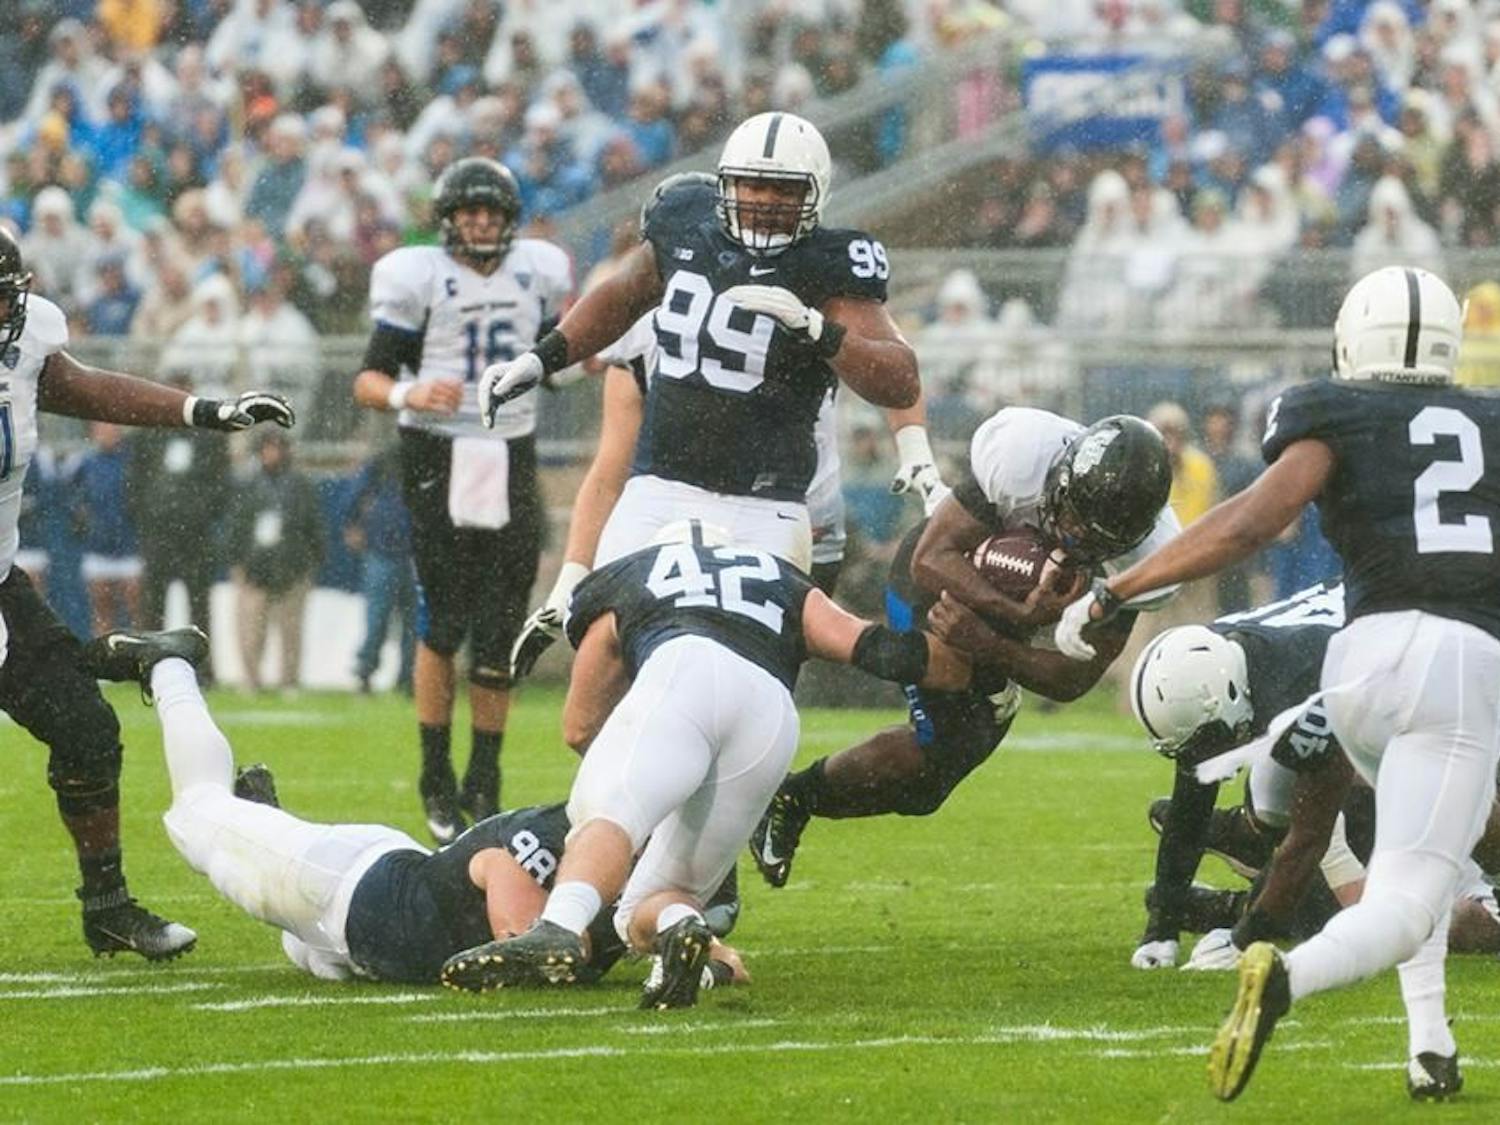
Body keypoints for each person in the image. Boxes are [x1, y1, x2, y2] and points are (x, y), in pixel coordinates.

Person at [1055, 266, 1500, 1103]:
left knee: (1416, 856)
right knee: (1411, 892)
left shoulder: (1333, 409)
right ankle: (1284, 980)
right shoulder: (1489, 418)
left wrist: (1117, 588)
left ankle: (1431, 1048)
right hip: (1460, 658)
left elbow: (1255, 521)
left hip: (1358, 663)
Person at [478, 116, 920, 760]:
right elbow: (624, 295)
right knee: (590, 711)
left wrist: (816, 331)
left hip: (764, 506)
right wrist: (540, 358)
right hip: (660, 489)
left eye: (782, 190)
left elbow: (900, 379)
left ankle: (707, 849)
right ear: (723, 185)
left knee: (741, 695)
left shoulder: (831, 264)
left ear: (815, 196)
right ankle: (640, 820)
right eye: (751, 186)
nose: (764, 202)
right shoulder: (686, 225)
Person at [439, 520, 970, 1009]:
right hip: (770, 715)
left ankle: (557, 926)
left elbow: (578, 726)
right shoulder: (778, 578)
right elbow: (873, 648)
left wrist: (651, 781)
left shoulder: (631, 573)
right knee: (651, 903)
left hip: (683, 668)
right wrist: (971, 657)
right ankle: (680, 929)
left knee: (605, 815)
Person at [77, 624, 748, 989]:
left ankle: (269, 814)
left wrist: (700, 944)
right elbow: (491, 863)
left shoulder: (660, 856)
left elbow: (644, 918)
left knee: (310, 953)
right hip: (354, 888)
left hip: (381, 920)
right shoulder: (602, 823)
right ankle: (169, 668)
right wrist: (531, 939)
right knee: (196, 813)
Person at [0, 224, 293, 960]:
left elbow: (86, 386)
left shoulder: (27, 340)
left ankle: (106, 906)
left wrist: (204, 411)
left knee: (87, 731)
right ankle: (109, 654)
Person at [750, 410, 1178, 888]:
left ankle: (795, 787)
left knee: (927, 789)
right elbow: (930, 559)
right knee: (932, 749)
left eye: (1096, 535)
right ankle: (798, 769)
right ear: (1062, 473)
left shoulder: (1154, 560)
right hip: (939, 590)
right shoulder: (1022, 454)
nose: (1074, 537)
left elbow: (1071, 679)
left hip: (1001, 633)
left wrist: (995, 644)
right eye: (1074, 514)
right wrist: (1013, 619)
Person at [352, 157, 573, 844]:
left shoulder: (538, 272)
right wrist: (407, 393)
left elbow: (562, 352)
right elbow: (368, 378)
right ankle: (435, 773)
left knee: (502, 627)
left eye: (492, 212)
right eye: (469, 212)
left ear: (509, 221)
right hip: (435, 452)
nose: (480, 223)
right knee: (443, 620)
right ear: (448, 220)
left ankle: (485, 773)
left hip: (510, 451)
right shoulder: (417, 278)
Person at [126, 373, 232, 681]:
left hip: (195, 535)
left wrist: (199, 515)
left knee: (199, 605)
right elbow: (135, 481)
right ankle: (149, 667)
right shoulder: (149, 433)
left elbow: (221, 485)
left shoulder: (209, 436)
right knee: (152, 604)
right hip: (158, 533)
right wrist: (149, 516)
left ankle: (203, 669)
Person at [226, 430, 325, 694]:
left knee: (291, 630)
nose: (273, 454)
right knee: (250, 629)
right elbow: (237, 526)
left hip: (291, 565)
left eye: (278, 448)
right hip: (254, 565)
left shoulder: (300, 485)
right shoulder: (248, 485)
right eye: (268, 448)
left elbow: (312, 524)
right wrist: (238, 561)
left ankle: (289, 680)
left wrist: (311, 560)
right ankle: (251, 679)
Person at [344, 444, 415, 693]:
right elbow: (355, 495)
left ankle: (409, 677)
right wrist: (352, 523)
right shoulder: (383, 461)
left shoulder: (427, 458)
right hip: (382, 551)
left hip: (415, 553)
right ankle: (366, 671)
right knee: (378, 618)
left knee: (413, 622)